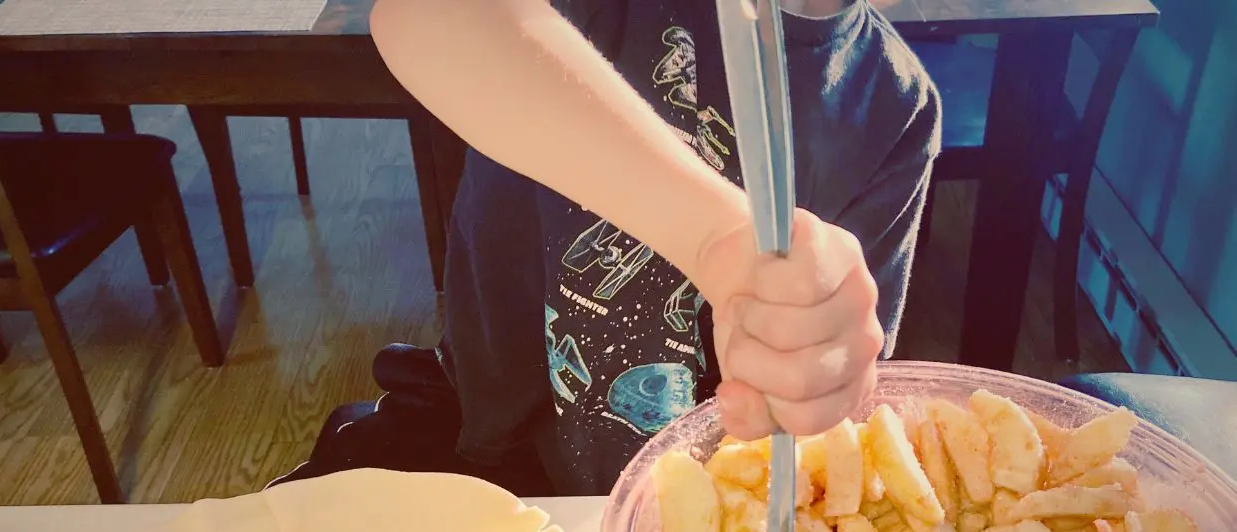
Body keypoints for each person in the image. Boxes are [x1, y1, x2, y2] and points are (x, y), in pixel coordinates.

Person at [268, 0, 940, 497]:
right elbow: (427, 17)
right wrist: (716, 237)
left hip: (699, 490)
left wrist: (815, 366)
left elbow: (831, 391)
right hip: (489, 444)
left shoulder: (896, 106)